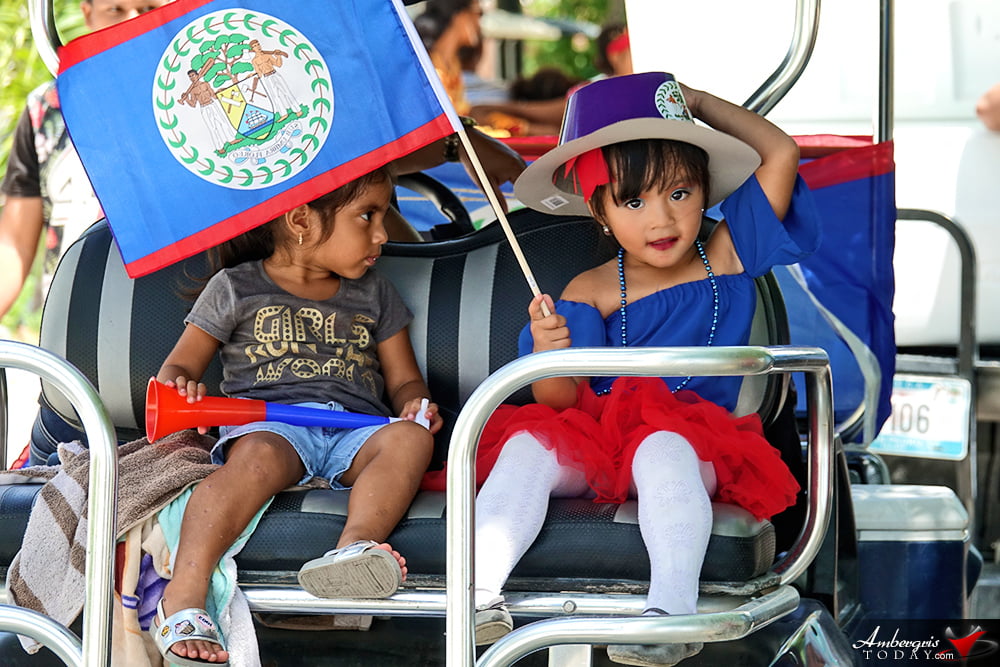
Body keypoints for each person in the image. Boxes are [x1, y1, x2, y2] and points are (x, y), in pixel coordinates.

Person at [469, 72, 821, 666]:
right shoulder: (591, 288)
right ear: (600, 211)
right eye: (634, 201)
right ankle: (477, 595)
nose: (661, 219)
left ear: (705, 191)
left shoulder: (730, 255)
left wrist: (699, 105)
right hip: (594, 439)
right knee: (527, 446)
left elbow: (779, 152)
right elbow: (558, 402)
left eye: (679, 193)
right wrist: (549, 354)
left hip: (691, 439)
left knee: (662, 448)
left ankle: (670, 613)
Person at [149, 164, 443, 665]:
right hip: (273, 425)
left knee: (412, 440)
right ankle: (185, 591)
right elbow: (178, 365)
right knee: (257, 455)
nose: (382, 234)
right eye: (367, 216)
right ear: (300, 219)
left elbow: (403, 381)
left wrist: (415, 404)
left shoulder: (376, 293)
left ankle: (353, 551)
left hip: (357, 429)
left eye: (384, 215)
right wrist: (182, 384)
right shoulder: (236, 287)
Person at [0, 0, 172, 324]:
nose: (132, 23)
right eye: (116, 10)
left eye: (148, 9)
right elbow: (14, 248)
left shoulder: (193, 110)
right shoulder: (46, 110)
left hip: (174, 326)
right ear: (87, 13)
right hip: (69, 326)